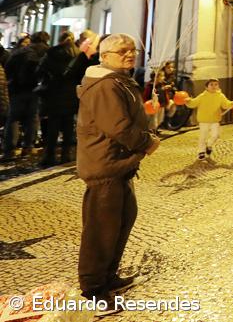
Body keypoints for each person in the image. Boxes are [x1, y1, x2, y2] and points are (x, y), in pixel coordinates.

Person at [76, 33, 158, 314]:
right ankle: (93, 292)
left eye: (132, 49)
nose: (129, 54)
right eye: (122, 50)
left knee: (122, 222)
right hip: (105, 167)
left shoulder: (119, 81)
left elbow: (124, 118)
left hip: (120, 165)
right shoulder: (104, 86)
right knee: (101, 230)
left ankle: (108, 278)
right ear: (105, 56)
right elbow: (118, 126)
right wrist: (148, 143)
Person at [3, 31, 50, 160]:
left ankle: (9, 150)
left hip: (17, 89)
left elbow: (8, 68)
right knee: (33, 118)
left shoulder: (20, 52)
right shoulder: (47, 52)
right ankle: (28, 147)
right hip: (36, 90)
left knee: (13, 118)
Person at [37, 31, 80, 167]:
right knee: (68, 126)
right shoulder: (78, 54)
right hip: (72, 96)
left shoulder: (52, 53)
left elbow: (40, 71)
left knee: (53, 126)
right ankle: (65, 156)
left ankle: (49, 156)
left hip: (54, 94)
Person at [185, 79, 233, 160]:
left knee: (215, 135)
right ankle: (201, 152)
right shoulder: (202, 96)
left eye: (216, 84)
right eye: (211, 84)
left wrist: (231, 104)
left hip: (215, 120)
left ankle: (209, 145)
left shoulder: (220, 96)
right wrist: (188, 101)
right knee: (203, 137)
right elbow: (193, 103)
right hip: (203, 120)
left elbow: (225, 104)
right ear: (206, 87)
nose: (214, 86)